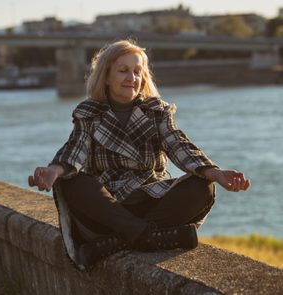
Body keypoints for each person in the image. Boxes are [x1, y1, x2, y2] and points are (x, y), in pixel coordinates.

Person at [28, 40, 251, 271]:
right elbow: (76, 149)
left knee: (203, 186)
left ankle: (121, 240)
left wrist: (215, 172)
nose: (131, 77)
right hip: (109, 208)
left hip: (151, 200)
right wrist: (53, 171)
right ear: (106, 76)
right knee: (72, 183)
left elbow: (179, 146)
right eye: (123, 71)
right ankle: (148, 236)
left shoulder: (157, 112)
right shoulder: (89, 113)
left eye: (137, 71)